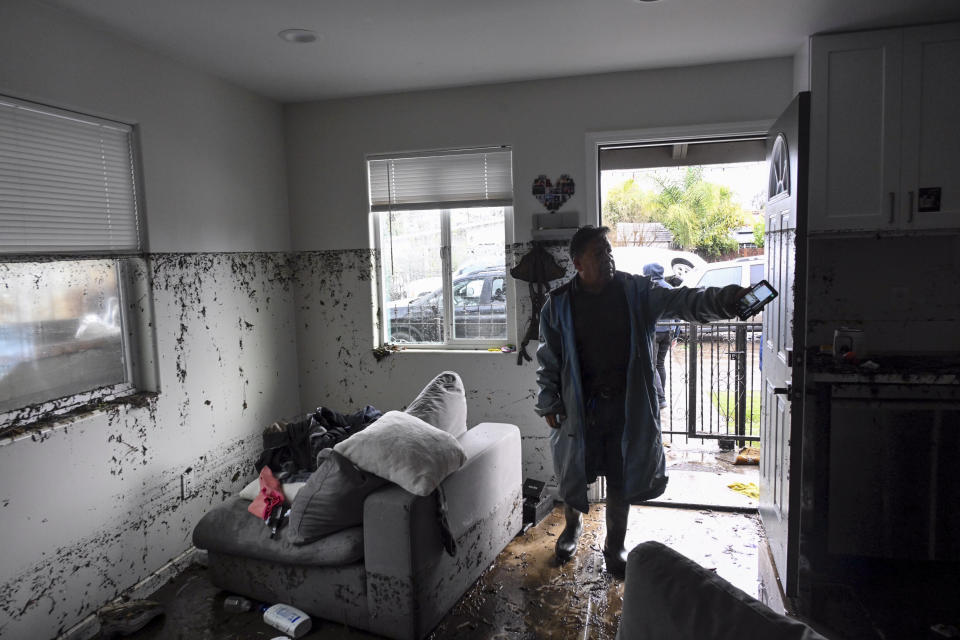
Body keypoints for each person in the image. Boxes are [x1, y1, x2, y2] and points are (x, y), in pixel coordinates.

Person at [535, 226, 747, 577]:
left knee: (621, 475)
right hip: (578, 408)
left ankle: (614, 543)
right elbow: (549, 360)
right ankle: (571, 528)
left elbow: (685, 301)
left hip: (626, 406)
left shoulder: (637, 291)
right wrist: (549, 402)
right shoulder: (558, 305)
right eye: (599, 253)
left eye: (608, 250)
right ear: (578, 263)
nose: (609, 257)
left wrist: (727, 300)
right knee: (573, 472)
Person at [641, 262, 678, 410]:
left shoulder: (649, 289)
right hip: (667, 333)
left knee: (651, 364)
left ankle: (660, 399)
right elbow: (677, 314)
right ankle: (660, 394)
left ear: (648, 273)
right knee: (660, 364)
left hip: (654, 332)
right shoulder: (669, 288)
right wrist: (675, 334)